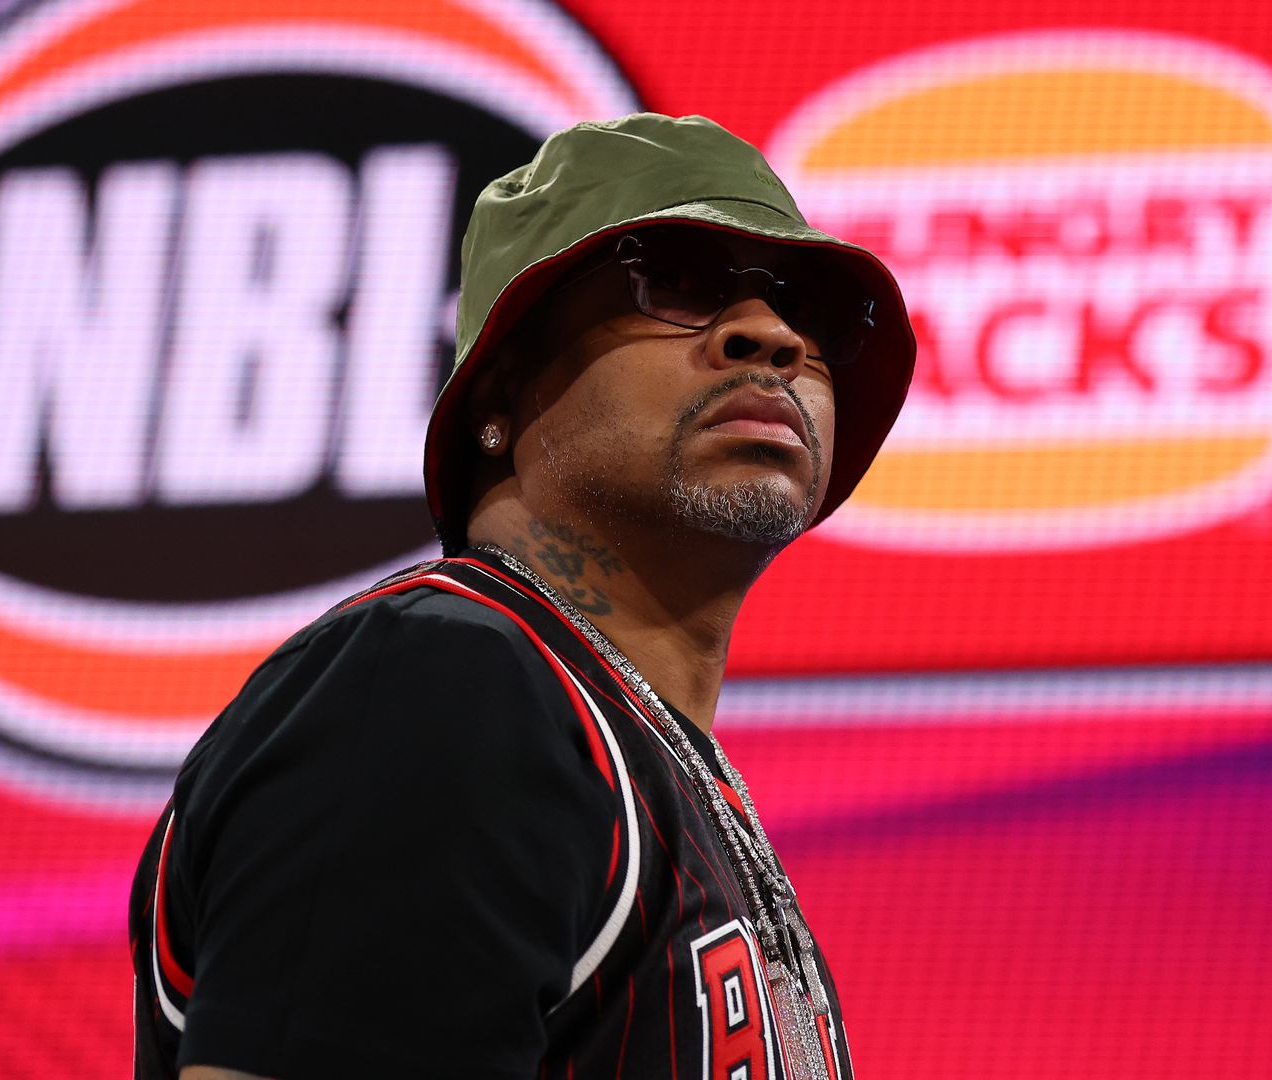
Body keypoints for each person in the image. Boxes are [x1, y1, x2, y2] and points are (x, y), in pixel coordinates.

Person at [130, 112, 915, 1079]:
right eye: (673, 282)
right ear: (497, 398)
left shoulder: (654, 761)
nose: (774, 337)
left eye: (814, 314)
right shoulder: (439, 679)